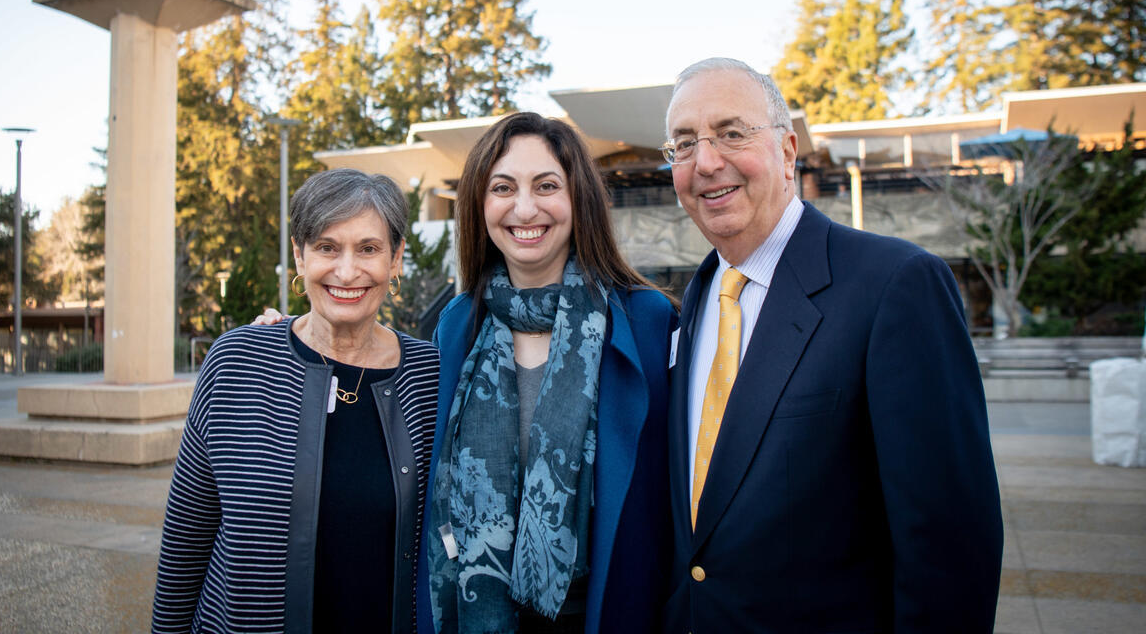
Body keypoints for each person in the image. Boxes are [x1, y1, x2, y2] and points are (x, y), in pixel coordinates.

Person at [661, 58, 1003, 632]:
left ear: (788, 152)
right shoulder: (692, 302)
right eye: (684, 144)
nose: (707, 161)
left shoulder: (895, 284)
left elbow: (948, 546)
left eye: (732, 133)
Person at [419, 112, 677, 634]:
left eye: (546, 186)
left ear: (578, 197)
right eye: (503, 187)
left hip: (608, 614)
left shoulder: (648, 321)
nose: (525, 207)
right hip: (475, 614)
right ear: (480, 204)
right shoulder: (454, 326)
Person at [151, 169, 439, 634]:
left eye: (368, 248)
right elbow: (188, 533)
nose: (347, 271)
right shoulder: (237, 362)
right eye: (327, 247)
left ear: (396, 258)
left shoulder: (431, 376)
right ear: (299, 256)